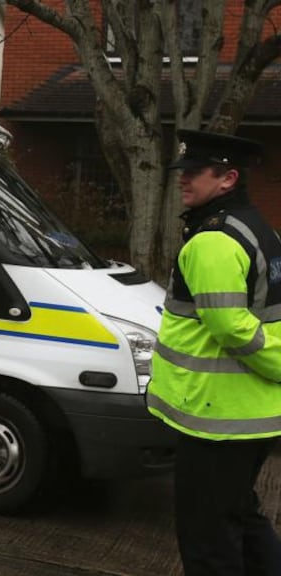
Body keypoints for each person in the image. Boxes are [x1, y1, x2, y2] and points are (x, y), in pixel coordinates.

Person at [147, 129, 281, 575]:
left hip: (216, 418)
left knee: (208, 540)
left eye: (194, 171)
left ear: (227, 179)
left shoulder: (213, 241)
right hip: (248, 413)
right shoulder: (260, 228)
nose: (183, 179)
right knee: (241, 516)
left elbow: (233, 328)